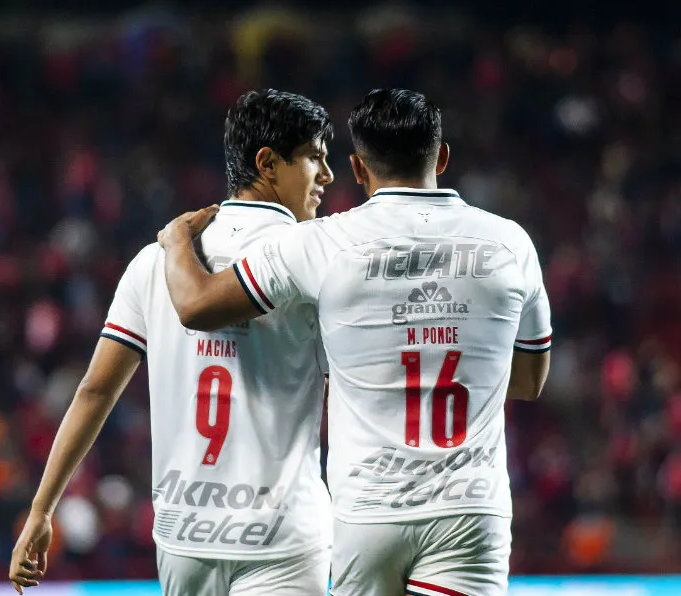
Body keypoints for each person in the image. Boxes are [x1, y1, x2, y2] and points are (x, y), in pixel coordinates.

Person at [157, 88, 552, 596]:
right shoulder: (510, 243)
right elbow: (526, 381)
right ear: (443, 156)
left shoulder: (321, 242)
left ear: (358, 169)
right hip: (470, 507)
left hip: (369, 510)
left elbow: (197, 307)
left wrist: (173, 242)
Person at [9, 89, 336, 596]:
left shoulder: (154, 260)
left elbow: (95, 391)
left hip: (185, 540)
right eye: (315, 157)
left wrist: (41, 508)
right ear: (268, 163)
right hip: (283, 543)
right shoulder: (317, 260)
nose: (328, 176)